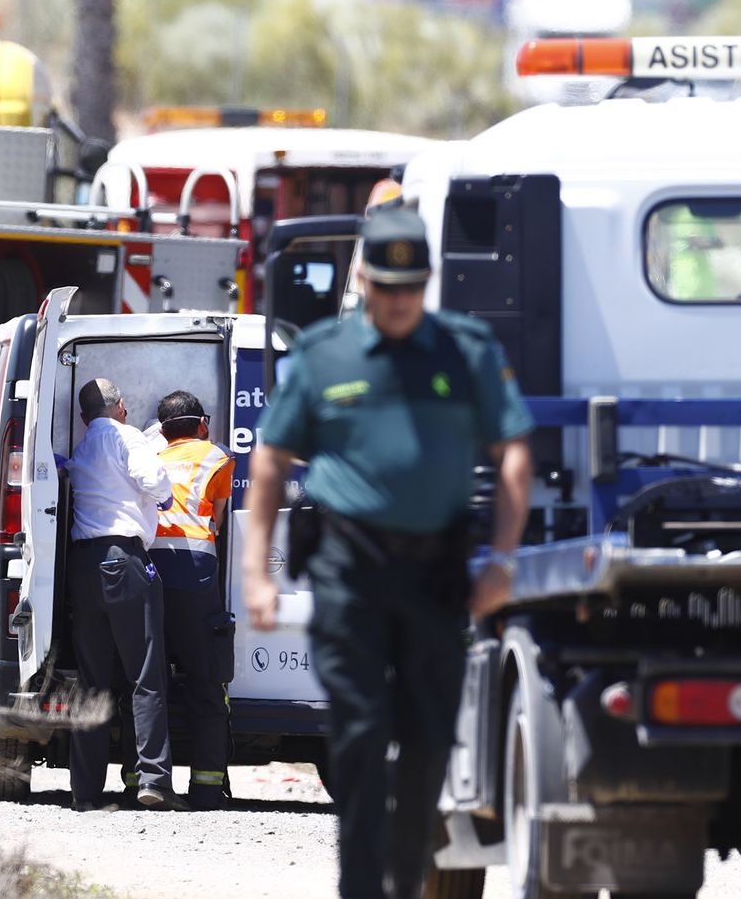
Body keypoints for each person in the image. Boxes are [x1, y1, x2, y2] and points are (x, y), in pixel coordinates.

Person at [241, 208, 534, 899]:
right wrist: (256, 570)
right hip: (351, 568)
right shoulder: (321, 354)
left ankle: (406, 875)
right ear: (363, 279)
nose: (399, 301)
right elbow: (270, 462)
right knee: (360, 736)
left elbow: (514, 448)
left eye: (412, 286)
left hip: (436, 570)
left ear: (428, 282)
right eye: (386, 286)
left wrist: (504, 559)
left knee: (431, 737)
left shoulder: (466, 351)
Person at [66, 378, 187, 812]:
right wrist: (164, 495)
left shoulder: (81, 449)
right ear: (122, 408)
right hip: (125, 561)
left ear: (83, 417)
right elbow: (152, 477)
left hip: (82, 567)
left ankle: (84, 791)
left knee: (93, 682)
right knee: (145, 676)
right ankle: (153, 779)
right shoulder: (127, 436)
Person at [145, 390, 235, 810]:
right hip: (197, 567)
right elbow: (216, 518)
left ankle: (142, 781)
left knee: (149, 682)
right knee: (205, 681)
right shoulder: (216, 458)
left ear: (162, 430)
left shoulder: (150, 457)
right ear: (203, 423)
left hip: (150, 567)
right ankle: (205, 788)